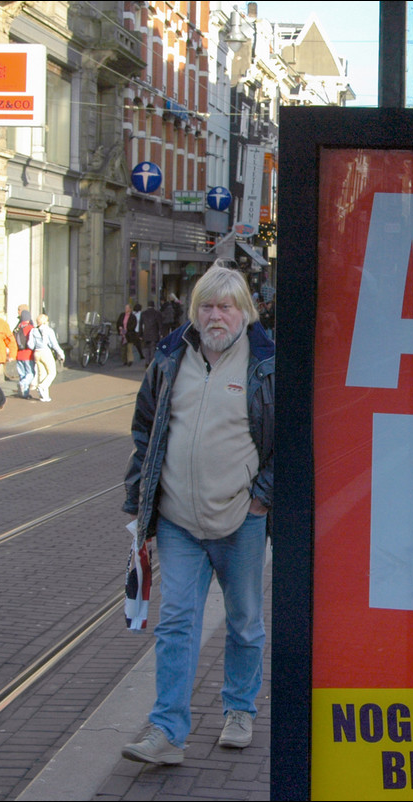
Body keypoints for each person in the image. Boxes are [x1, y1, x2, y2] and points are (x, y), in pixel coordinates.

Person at [121, 264, 274, 765]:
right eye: (206, 305)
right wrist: (138, 503)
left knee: (245, 622)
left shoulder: (266, 363)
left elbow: (288, 438)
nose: (215, 315)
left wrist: (262, 496)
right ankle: (167, 731)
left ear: (244, 311)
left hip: (241, 519)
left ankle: (239, 710)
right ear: (195, 311)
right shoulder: (170, 357)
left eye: (225, 306)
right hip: (177, 520)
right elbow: (146, 428)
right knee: (176, 624)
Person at [29, 313, 65, 402]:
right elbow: (54, 344)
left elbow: (30, 344)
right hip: (45, 352)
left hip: (36, 353)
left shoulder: (33, 330)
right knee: (52, 372)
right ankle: (42, 386)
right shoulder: (49, 330)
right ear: (46, 322)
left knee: (42, 373)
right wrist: (61, 353)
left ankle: (44, 396)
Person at [14, 306, 36, 399]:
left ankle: (24, 394)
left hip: (18, 355)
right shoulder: (31, 328)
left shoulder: (17, 328)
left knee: (22, 374)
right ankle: (22, 384)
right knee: (30, 373)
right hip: (28, 354)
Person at [139, 301, 162, 366]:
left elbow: (140, 325)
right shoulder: (157, 313)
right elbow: (160, 324)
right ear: (154, 306)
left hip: (146, 334)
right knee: (153, 349)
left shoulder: (143, 313)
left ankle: (147, 362)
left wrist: (140, 334)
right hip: (154, 334)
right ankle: (152, 363)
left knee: (146, 349)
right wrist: (161, 333)